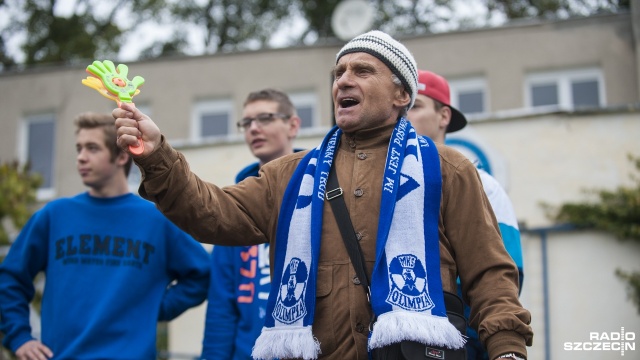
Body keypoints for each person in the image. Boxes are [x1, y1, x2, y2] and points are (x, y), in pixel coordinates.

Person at [114, 30, 533, 360]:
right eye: (339, 73)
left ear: (402, 94)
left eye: (363, 71)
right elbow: (211, 213)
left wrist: (508, 351)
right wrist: (157, 156)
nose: (344, 80)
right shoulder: (287, 175)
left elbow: (490, 275)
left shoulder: (448, 169)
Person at [0, 112, 211, 360]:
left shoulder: (157, 220)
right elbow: (10, 279)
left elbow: (202, 275)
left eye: (92, 148)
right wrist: (20, 337)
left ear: (122, 155)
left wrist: (152, 307)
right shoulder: (54, 216)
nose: (81, 157)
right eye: (79, 148)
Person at [407, 69, 525, 360]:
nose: (403, 117)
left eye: (415, 107)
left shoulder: (484, 185)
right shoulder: (385, 186)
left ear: (443, 116)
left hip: (460, 343)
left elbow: (504, 275)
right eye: (400, 108)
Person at [201, 88, 301, 360]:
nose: (254, 128)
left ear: (293, 125)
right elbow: (223, 304)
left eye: (265, 118)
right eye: (247, 122)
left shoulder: (322, 191)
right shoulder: (232, 202)